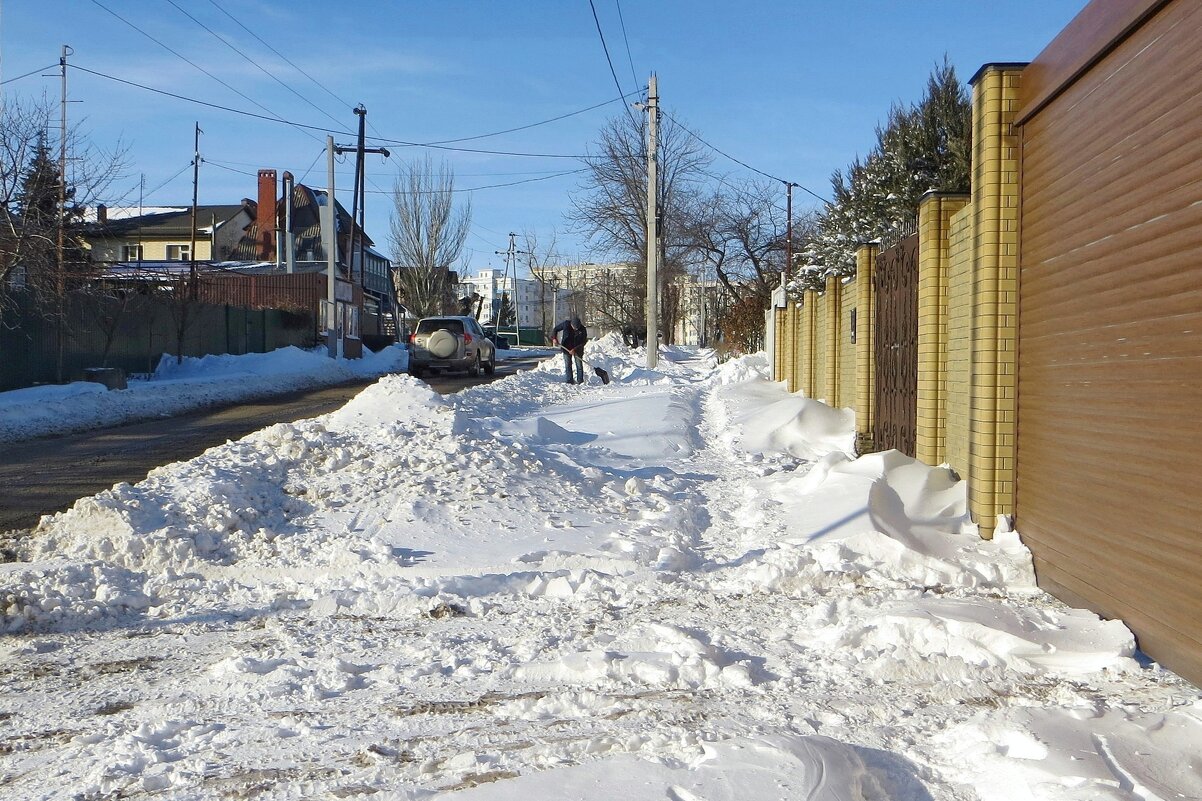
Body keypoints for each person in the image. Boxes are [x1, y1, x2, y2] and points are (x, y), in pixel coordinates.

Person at [551, 316, 587, 384]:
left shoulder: (582, 329)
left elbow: (583, 342)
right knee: (568, 365)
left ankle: (580, 381)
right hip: (566, 347)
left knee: (579, 365)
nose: (576, 329)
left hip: (578, 349)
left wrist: (574, 349)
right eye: (574, 327)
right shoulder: (566, 324)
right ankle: (569, 380)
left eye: (577, 328)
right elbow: (555, 329)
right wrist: (554, 338)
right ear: (571, 324)